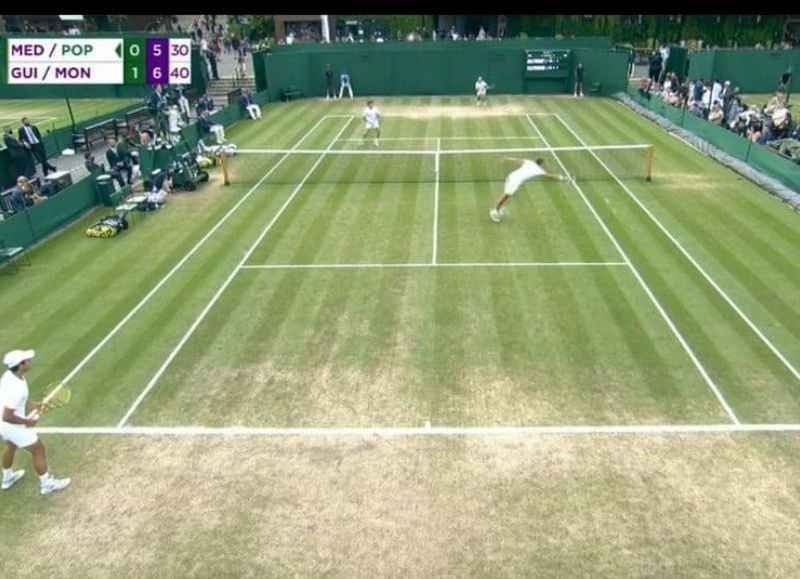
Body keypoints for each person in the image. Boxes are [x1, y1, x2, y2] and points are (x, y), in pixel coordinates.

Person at [0, 349, 71, 495]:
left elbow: (17, 399)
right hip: (9, 425)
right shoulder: (15, 388)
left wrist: (33, 404)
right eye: (26, 360)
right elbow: (7, 416)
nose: (30, 361)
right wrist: (27, 421)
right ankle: (46, 484)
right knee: (38, 448)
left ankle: (7, 477)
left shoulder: (11, 375)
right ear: (20, 365)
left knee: (11, 445)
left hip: (5, 425)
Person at [489, 157, 569, 223]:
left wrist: (507, 158)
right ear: (540, 165)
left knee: (508, 196)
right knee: (505, 196)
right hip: (515, 181)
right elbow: (550, 176)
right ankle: (494, 211)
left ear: (535, 161)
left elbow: (517, 160)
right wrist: (562, 177)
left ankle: (498, 209)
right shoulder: (539, 170)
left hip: (511, 176)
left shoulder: (529, 162)